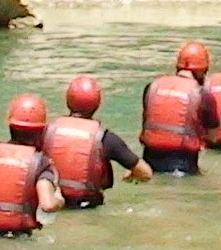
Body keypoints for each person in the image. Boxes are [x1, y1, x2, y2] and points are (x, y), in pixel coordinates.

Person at [45, 74, 150, 207]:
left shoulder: (47, 132)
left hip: (52, 203)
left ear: (68, 100)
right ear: (97, 104)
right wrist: (132, 176)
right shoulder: (105, 138)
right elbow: (146, 173)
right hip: (88, 208)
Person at [0, 96, 64, 238]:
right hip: (17, 238)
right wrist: (59, 199)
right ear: (41, 130)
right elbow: (47, 204)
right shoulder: (39, 163)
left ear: (10, 125)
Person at [141, 43, 213, 176]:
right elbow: (213, 133)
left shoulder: (152, 86)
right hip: (183, 166)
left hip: (149, 164)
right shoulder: (201, 94)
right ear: (203, 70)